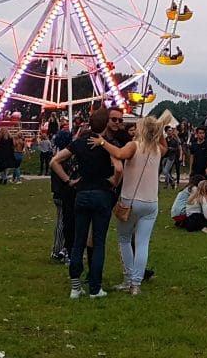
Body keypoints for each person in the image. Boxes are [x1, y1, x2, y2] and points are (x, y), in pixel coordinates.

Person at [92, 115, 167, 295]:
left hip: (130, 201)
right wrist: (160, 129)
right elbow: (164, 144)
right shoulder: (158, 149)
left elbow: (119, 154)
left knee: (124, 239)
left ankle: (128, 279)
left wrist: (102, 142)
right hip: (151, 202)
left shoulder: (134, 146)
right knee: (142, 243)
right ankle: (136, 284)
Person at [50, 107, 116, 299]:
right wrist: (114, 181)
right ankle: (95, 288)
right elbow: (119, 167)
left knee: (78, 241)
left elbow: (54, 161)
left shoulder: (79, 143)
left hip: (82, 193)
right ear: (105, 125)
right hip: (101, 193)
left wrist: (68, 180)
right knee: (99, 242)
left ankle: (75, 287)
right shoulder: (107, 145)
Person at [49, 129, 76, 264]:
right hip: (64, 193)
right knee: (64, 222)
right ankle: (59, 248)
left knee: (62, 221)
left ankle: (60, 247)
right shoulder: (66, 159)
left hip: (57, 192)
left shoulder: (56, 156)